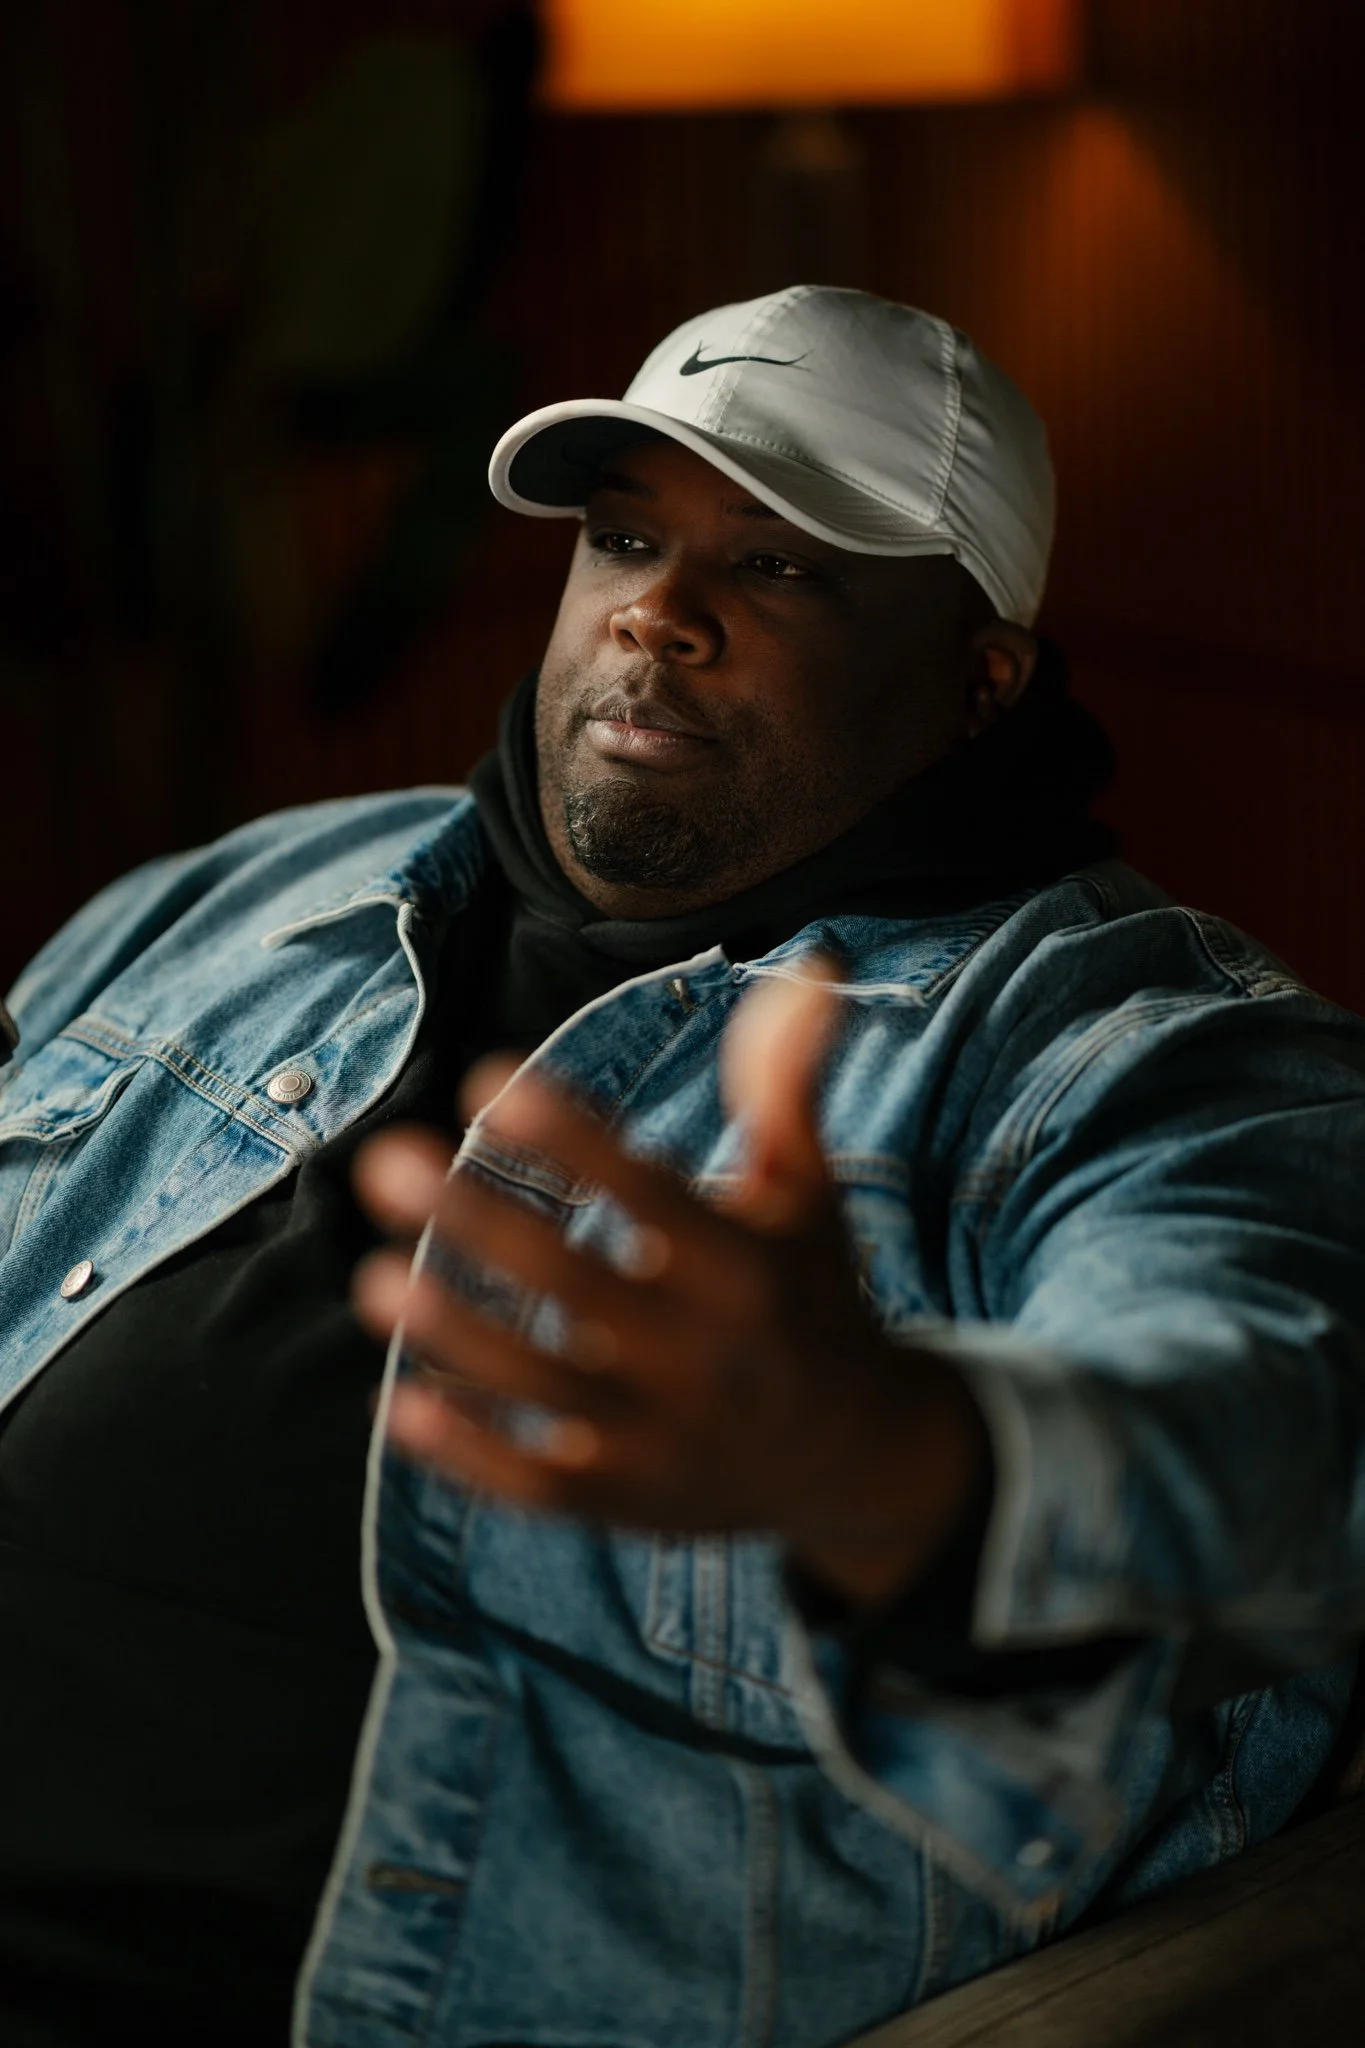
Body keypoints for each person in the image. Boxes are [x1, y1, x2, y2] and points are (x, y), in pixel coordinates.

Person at [1, 284, 1363, 2048]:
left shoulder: (1147, 1053)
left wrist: (887, 1460)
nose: (662, 610)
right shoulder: (248, 891)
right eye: (627, 536)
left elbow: (1281, 1439)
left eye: (785, 569)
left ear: (980, 680)